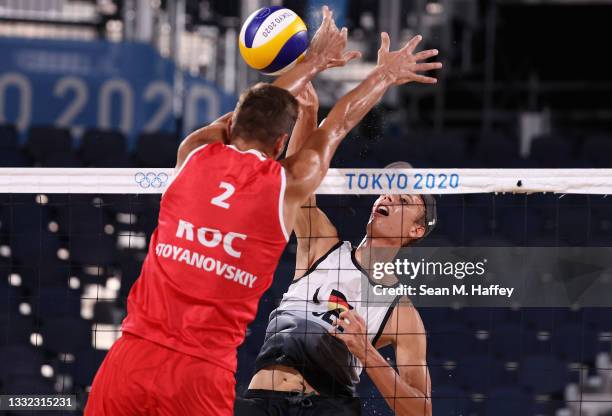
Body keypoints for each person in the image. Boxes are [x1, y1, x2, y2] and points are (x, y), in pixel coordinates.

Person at [86, 5, 440, 415]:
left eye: (407, 199)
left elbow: (261, 120)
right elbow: (337, 126)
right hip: (205, 377)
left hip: (133, 356)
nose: (390, 197)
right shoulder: (287, 192)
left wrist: (311, 64)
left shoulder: (192, 155)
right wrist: (381, 76)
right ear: (279, 148)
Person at [235, 64, 438, 415]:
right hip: (264, 403)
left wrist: (366, 352)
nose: (387, 198)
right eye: (388, 192)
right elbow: (296, 183)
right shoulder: (322, 244)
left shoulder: (402, 315)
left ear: (416, 231)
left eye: (403, 200)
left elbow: (421, 411)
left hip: (327, 407)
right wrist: (308, 115)